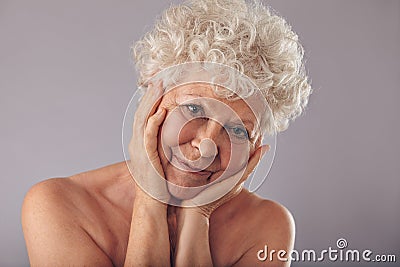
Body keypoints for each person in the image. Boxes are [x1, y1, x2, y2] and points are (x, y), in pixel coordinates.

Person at [21, 0, 312, 266]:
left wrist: (198, 215)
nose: (207, 147)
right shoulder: (59, 206)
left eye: (237, 129)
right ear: (151, 99)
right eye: (194, 110)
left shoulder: (267, 224)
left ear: (256, 147)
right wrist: (150, 199)